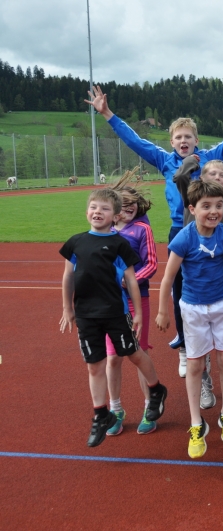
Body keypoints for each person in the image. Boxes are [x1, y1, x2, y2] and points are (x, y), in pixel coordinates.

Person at [84, 74, 223, 374]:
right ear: (172, 142)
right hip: (181, 230)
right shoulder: (165, 161)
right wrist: (108, 114)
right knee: (179, 288)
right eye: (178, 138)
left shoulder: (211, 156)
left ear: (196, 140)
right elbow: (135, 141)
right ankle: (186, 347)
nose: (183, 141)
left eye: (188, 137)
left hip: (213, 229)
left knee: (222, 284)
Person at [60, 189, 167, 447]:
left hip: (116, 313)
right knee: (94, 365)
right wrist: (67, 309)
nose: (98, 212)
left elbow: (131, 279)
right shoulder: (75, 242)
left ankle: (156, 389)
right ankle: (101, 414)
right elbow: (68, 276)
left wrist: (137, 313)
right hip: (86, 316)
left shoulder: (120, 244)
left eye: (105, 208)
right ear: (87, 211)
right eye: (94, 207)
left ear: (115, 215)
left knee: (135, 354)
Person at [156, 180, 223, 459]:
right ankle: (196, 423)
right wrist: (163, 311)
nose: (214, 211)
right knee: (195, 364)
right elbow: (168, 277)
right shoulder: (184, 237)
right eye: (206, 206)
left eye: (218, 206)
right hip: (193, 308)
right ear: (192, 209)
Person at [174, 158, 223, 407]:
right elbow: (181, 178)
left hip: (222, 272)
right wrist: (188, 163)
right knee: (198, 344)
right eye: (211, 174)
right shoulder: (192, 199)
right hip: (194, 276)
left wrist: (214, 216)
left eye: (222, 175)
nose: (217, 177)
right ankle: (204, 378)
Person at [103, 173, 160, 436]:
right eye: (123, 203)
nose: (129, 207)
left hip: (138, 301)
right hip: (111, 304)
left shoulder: (142, 230)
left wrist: (131, 282)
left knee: (138, 353)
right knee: (113, 357)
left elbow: (151, 264)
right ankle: (115, 410)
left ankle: (150, 406)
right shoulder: (104, 231)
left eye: (132, 203)